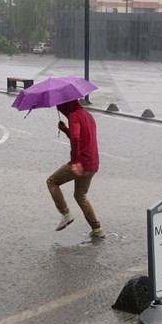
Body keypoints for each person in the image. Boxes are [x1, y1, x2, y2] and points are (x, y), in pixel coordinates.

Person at [48, 100, 104, 238]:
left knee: (52, 182)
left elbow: (76, 138)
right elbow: (83, 138)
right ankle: (97, 228)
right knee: (80, 195)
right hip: (93, 164)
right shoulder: (88, 115)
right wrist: (66, 129)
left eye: (60, 106)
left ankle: (65, 214)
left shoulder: (74, 116)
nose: (60, 109)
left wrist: (75, 161)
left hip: (81, 163)